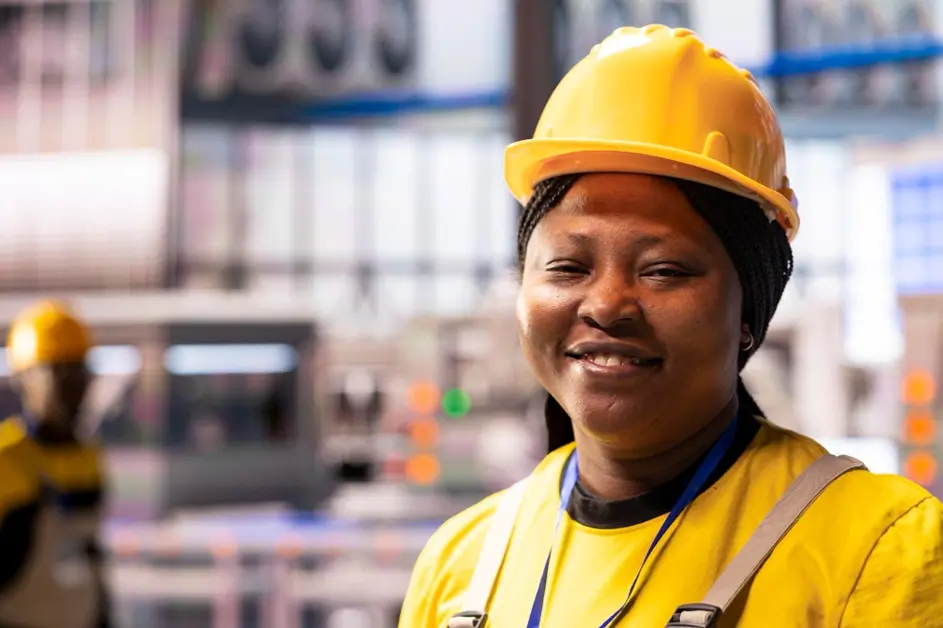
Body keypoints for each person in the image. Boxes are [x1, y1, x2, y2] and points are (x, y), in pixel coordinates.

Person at [399, 25, 943, 628]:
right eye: (568, 266)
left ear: (749, 311)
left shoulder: (878, 550)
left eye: (663, 270)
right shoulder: (463, 564)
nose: (607, 305)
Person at [0, 300, 111, 628]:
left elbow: (91, 556)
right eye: (59, 375)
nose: (72, 389)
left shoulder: (88, 457)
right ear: (24, 379)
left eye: (78, 373)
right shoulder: (8, 457)